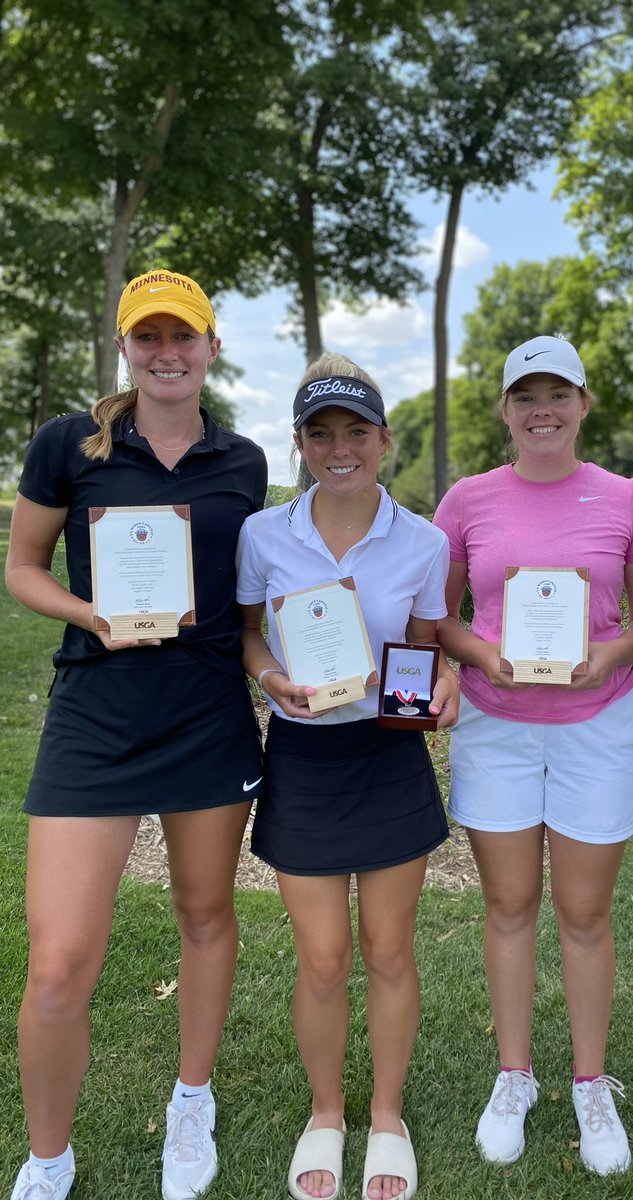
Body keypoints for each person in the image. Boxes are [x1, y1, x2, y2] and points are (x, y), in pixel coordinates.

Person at [4, 270, 268, 1200]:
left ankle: (190, 1101)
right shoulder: (65, 445)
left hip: (205, 715)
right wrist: (90, 613)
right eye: (148, 337)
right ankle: (47, 1158)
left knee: (205, 917)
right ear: (125, 345)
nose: (167, 352)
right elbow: (23, 566)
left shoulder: (243, 461)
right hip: (97, 715)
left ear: (210, 348)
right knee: (59, 961)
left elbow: (245, 603)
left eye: (182, 336)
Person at [432, 336, 633, 1175]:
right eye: (525, 396)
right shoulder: (467, 500)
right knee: (508, 906)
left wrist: (607, 656)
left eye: (558, 394)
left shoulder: (629, 500)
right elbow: (441, 612)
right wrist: (477, 652)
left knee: (584, 913)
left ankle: (591, 1081)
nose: (543, 410)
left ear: (582, 403)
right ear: (504, 409)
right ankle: (514, 1074)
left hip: (596, 723)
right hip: (496, 723)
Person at [236, 352, 458, 1200]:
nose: (340, 448)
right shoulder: (265, 535)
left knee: (389, 949)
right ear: (299, 444)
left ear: (383, 440)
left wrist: (446, 688)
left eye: (356, 432)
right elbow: (249, 632)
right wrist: (268, 676)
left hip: (387, 754)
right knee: (324, 958)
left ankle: (388, 1117)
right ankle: (327, 1111)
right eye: (321, 433)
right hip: (304, 754)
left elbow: (432, 647)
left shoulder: (424, 541)